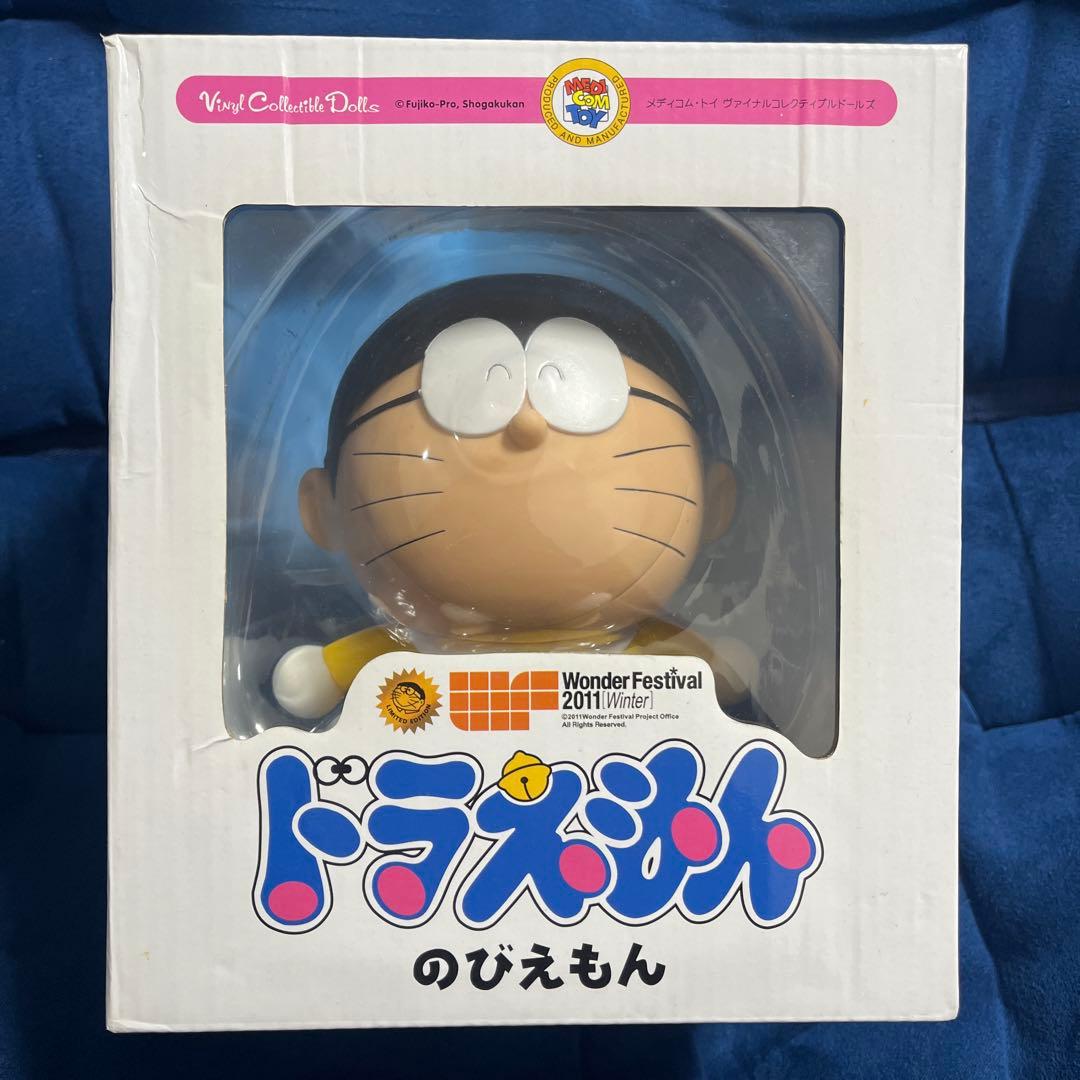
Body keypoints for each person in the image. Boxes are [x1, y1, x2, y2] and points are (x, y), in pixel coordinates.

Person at [272, 274, 751, 720]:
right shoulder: (403, 658)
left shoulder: (662, 657)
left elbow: (714, 675)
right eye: (468, 401)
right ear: (324, 510)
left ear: (714, 504)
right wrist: (332, 670)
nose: (528, 424)